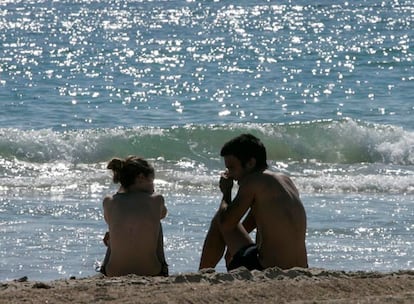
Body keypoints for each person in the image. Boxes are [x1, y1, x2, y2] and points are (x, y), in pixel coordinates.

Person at [199, 134, 308, 271]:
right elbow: (254, 220)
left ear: (250, 163)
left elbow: (226, 223)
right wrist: (231, 245)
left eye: (232, 168)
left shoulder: (252, 182)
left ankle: (203, 273)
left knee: (219, 219)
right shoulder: (284, 180)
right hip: (301, 268)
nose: (229, 174)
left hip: (268, 268)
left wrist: (226, 192)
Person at [100, 156, 168, 277]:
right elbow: (163, 214)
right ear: (141, 178)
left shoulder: (109, 201)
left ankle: (103, 270)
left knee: (113, 229)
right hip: (151, 271)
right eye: (152, 181)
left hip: (114, 272)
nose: (153, 187)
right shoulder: (156, 200)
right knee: (157, 223)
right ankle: (163, 267)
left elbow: (111, 222)